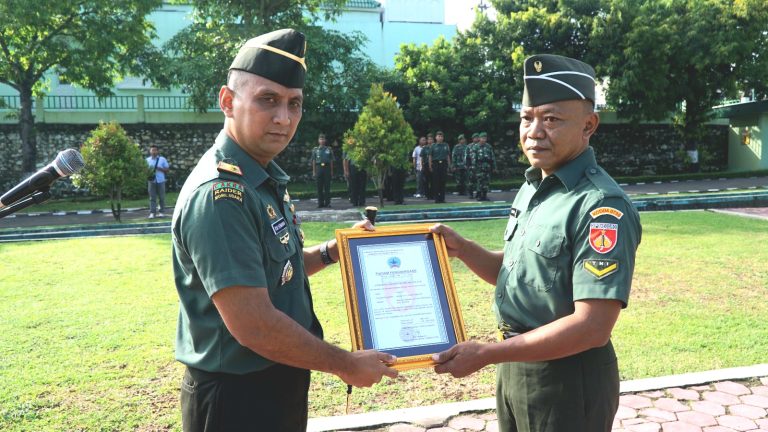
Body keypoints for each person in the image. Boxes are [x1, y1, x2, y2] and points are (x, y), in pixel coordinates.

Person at [171, 29, 397, 432]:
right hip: (237, 401)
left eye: (295, 104)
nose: (284, 117)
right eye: (268, 100)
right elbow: (253, 324)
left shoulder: (260, 179)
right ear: (228, 101)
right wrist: (345, 364)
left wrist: (332, 252)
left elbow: (276, 272)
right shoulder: (222, 195)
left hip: (276, 383)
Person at [430, 54, 642, 432]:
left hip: (566, 379)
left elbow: (592, 325)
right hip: (515, 368)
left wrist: (488, 354)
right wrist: (462, 249)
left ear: (588, 125)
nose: (534, 131)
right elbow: (518, 274)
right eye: (527, 118)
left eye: (551, 119)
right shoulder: (534, 187)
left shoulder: (600, 206)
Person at [146, 144, 170, 218]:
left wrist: (160, 169)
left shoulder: (162, 159)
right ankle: (152, 213)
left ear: (157, 151)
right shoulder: (147, 160)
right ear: (150, 151)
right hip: (151, 181)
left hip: (161, 180)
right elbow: (144, 170)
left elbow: (167, 169)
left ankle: (161, 212)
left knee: (161, 197)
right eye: (152, 150)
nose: (154, 152)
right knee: (152, 198)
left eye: (155, 150)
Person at [311, 133, 334, 208]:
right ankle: (320, 203)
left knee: (327, 186)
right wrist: (314, 172)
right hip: (319, 168)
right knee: (319, 187)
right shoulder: (315, 150)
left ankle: (328, 203)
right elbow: (313, 161)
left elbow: (331, 161)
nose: (322, 140)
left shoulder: (329, 149)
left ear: (325, 140)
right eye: (320, 139)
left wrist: (331, 171)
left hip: (327, 168)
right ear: (318, 140)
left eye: (323, 139)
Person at [429, 130, 451, 203]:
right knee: (436, 182)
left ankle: (442, 198)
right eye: (439, 136)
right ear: (436, 137)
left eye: (441, 136)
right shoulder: (433, 146)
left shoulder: (445, 145)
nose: (440, 138)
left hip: (443, 164)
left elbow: (448, 156)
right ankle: (436, 198)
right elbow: (430, 156)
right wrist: (430, 166)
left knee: (443, 181)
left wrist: (449, 165)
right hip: (436, 164)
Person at [473, 132, 495, 201]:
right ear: (479, 138)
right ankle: (479, 196)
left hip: (487, 166)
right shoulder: (476, 147)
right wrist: (474, 167)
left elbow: (492, 157)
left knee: (486, 182)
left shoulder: (488, 146)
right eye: (482, 138)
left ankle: (485, 196)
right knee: (479, 182)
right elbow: (473, 158)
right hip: (479, 166)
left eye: (485, 138)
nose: (484, 139)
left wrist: (494, 166)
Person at [466, 132, 479, 198]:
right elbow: (466, 156)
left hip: (479, 166)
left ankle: (478, 194)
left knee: (478, 181)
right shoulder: (469, 146)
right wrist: (467, 165)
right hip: (471, 166)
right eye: (475, 138)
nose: (476, 139)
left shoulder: (480, 145)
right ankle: (470, 194)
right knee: (470, 181)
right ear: (472, 138)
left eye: (477, 137)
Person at [421, 133, 433, 199]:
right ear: (427, 141)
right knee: (426, 181)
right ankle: (427, 195)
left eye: (431, 139)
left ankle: (432, 194)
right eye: (429, 139)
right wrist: (422, 166)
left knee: (433, 181)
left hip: (433, 165)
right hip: (426, 165)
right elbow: (422, 158)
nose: (430, 141)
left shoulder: (434, 147)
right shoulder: (424, 148)